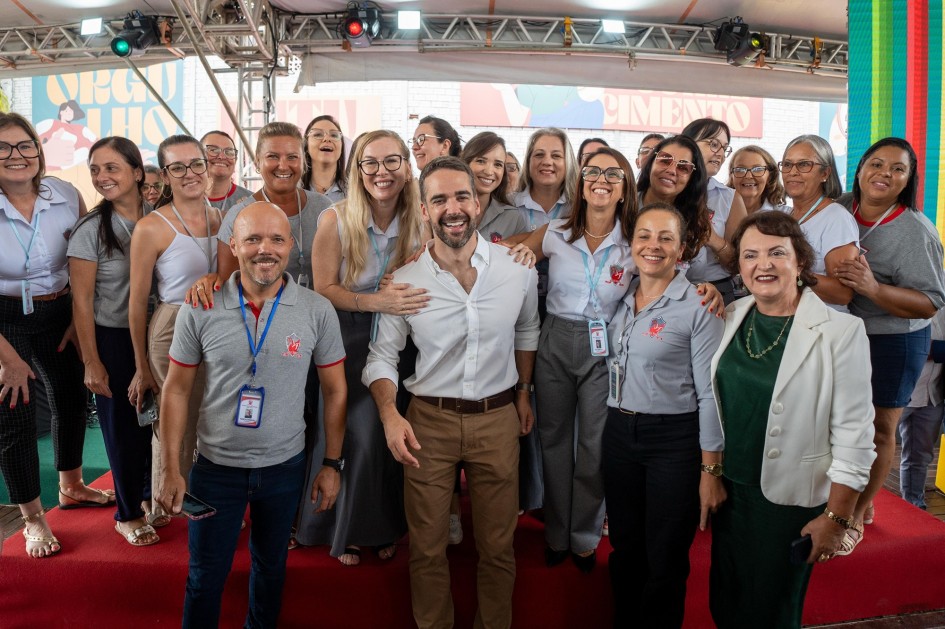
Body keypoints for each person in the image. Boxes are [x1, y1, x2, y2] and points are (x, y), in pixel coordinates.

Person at [364, 156, 540, 629]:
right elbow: (380, 357)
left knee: (499, 548)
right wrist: (389, 414)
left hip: (498, 418)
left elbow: (527, 329)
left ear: (478, 202)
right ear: (424, 210)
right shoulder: (404, 280)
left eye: (462, 196)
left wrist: (524, 392)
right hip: (428, 423)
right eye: (439, 199)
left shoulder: (516, 269)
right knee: (426, 549)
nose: (453, 208)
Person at [156, 202, 347, 628]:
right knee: (204, 576)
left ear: (291, 245)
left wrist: (332, 463)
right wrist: (171, 468)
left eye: (277, 239)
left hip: (284, 469)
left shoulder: (316, 310)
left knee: (271, 569)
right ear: (233, 245)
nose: (266, 249)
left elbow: (336, 392)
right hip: (214, 471)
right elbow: (176, 389)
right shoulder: (199, 307)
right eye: (253, 239)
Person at [709, 210, 876, 629]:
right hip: (732, 492)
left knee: (771, 610)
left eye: (776, 253)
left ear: (800, 262)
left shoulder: (842, 331)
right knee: (726, 601)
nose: (762, 264)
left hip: (787, 500)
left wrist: (838, 519)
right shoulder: (731, 315)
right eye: (750, 255)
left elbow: (856, 438)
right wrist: (709, 470)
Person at [303, 129, 428, 565]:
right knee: (354, 428)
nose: (382, 172)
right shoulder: (335, 220)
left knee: (388, 432)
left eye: (392, 161)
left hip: (402, 336)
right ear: (357, 170)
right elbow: (323, 290)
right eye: (370, 163)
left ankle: (384, 525)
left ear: (407, 167)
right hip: (347, 334)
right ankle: (342, 528)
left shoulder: (423, 220)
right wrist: (376, 300)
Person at [512, 147, 636, 572]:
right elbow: (510, 254)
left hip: (606, 349)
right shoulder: (555, 232)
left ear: (624, 189)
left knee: (594, 447)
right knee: (554, 441)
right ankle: (556, 533)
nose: (601, 180)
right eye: (592, 173)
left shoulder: (635, 240)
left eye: (613, 174)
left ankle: (584, 535)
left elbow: (670, 279)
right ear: (581, 185)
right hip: (556, 340)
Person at [604, 202, 724, 627]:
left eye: (665, 238)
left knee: (666, 554)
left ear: (682, 249)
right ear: (631, 243)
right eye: (644, 236)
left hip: (673, 440)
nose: (652, 246)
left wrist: (711, 469)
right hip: (618, 433)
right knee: (625, 546)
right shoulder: (618, 296)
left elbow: (711, 393)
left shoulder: (699, 305)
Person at [0, 112, 108, 559]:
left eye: (25, 145)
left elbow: (84, 261)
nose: (16, 156)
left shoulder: (64, 194)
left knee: (71, 397)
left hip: (59, 309)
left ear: (38, 151)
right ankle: (32, 518)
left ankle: (72, 486)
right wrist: (7, 358)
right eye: (3, 148)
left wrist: (76, 320)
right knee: (16, 414)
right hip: (4, 320)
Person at [834, 137, 945, 552]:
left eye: (897, 169)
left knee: (880, 430)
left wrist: (874, 288)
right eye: (877, 164)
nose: (885, 174)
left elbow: (931, 302)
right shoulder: (839, 208)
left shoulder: (916, 231)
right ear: (860, 168)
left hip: (895, 341)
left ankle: (858, 512)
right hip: (843, 333)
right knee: (840, 426)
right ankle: (844, 500)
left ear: (908, 179)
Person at [68, 137, 159, 546]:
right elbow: (82, 303)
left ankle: (147, 496)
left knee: (157, 423)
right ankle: (126, 513)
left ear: (138, 172)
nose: (101, 177)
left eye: (111, 168)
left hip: (160, 335)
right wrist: (92, 361)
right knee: (123, 426)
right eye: (95, 169)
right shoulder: (91, 230)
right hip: (114, 338)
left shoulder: (160, 217)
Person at [128, 135, 222, 522]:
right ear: (165, 175)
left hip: (219, 325)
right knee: (173, 417)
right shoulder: (152, 226)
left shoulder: (224, 215)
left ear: (207, 164)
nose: (190, 174)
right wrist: (141, 366)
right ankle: (165, 501)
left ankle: (199, 492)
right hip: (173, 325)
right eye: (177, 167)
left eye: (195, 163)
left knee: (212, 415)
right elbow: (136, 304)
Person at [194, 122, 331, 302]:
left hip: (317, 317)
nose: (283, 166)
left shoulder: (323, 207)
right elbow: (230, 289)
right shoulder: (239, 216)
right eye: (272, 156)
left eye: (292, 157)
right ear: (257, 162)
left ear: (303, 162)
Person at [776, 134, 859, 311]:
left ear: (825, 173)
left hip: (823, 326)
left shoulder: (836, 218)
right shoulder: (784, 215)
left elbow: (842, 293)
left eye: (804, 164)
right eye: (788, 164)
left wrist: (792, 272)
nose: (793, 172)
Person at [680, 118, 748, 304]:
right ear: (688, 144)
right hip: (668, 289)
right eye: (713, 144)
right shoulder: (667, 189)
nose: (720, 154)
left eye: (724, 148)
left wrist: (714, 240)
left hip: (717, 293)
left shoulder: (730, 198)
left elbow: (741, 262)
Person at [636, 135, 713, 276]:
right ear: (651, 162)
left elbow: (696, 280)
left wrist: (705, 288)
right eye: (665, 160)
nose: (671, 170)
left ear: (692, 179)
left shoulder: (694, 221)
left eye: (683, 167)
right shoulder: (622, 206)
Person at [897, 308, 945, 509]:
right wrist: (935, 350)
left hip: (933, 394)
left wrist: (931, 349)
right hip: (897, 392)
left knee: (920, 457)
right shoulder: (899, 299)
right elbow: (903, 346)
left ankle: (914, 507)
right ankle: (858, 510)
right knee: (871, 451)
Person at [461, 131, 527, 242]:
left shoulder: (513, 218)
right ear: (465, 163)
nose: (489, 171)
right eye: (481, 161)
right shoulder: (444, 209)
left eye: (498, 164)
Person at [201, 130, 252, 214]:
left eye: (229, 152)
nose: (221, 156)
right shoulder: (184, 200)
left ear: (235, 161)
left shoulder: (251, 202)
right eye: (213, 150)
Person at [726, 145, 785, 214]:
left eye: (758, 169)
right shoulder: (717, 210)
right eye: (740, 169)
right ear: (731, 175)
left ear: (770, 176)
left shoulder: (784, 216)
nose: (748, 176)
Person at [302, 114, 347, 202]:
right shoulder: (293, 190)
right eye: (318, 134)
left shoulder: (355, 191)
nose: (327, 139)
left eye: (334, 135)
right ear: (306, 145)